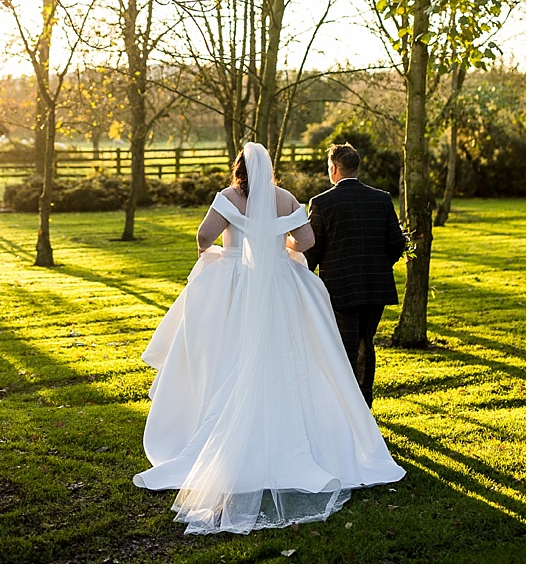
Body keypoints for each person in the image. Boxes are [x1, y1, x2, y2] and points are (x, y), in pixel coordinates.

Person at [133, 143, 403, 534]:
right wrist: (283, 246)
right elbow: (306, 241)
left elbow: (204, 235)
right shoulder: (286, 198)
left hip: (236, 288)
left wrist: (215, 254)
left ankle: (218, 433)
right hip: (279, 285)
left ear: (238, 168)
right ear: (270, 168)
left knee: (226, 356)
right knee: (289, 356)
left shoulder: (228, 198)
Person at [304, 142, 410, 406]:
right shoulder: (381, 198)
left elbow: (312, 252)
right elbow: (397, 243)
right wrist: (380, 265)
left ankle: (349, 408)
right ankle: (365, 403)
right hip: (376, 286)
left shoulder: (322, 203)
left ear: (334, 168)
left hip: (340, 287)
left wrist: (300, 275)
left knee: (345, 348)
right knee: (366, 341)